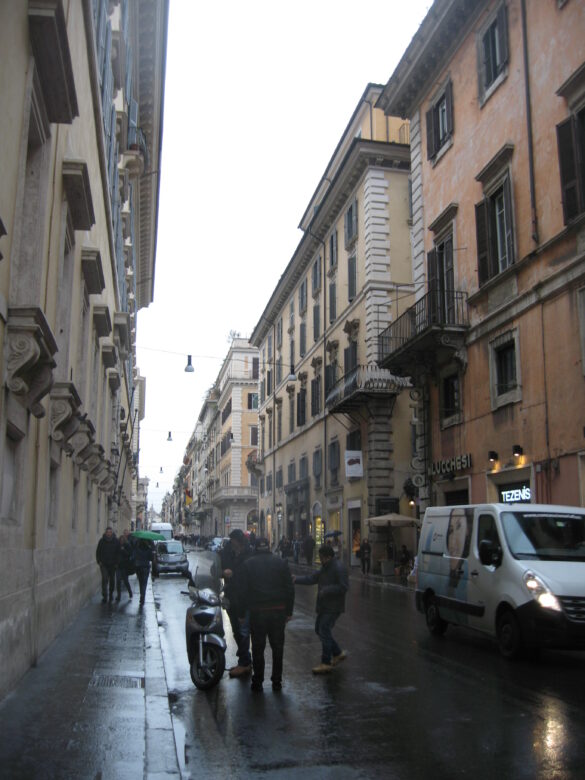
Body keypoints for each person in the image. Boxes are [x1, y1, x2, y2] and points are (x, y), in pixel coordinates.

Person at [237, 537, 295, 692]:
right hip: (278, 611)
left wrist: (242, 613)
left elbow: (243, 592)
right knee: (278, 647)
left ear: (255, 547)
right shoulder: (281, 563)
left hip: (258, 612)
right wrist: (289, 611)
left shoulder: (248, 564)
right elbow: (290, 588)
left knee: (258, 647)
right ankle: (277, 681)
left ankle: (258, 681)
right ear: (269, 547)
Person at [294, 544, 349, 674]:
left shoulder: (338, 568)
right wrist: (296, 579)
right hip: (325, 605)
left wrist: (326, 590)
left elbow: (344, 587)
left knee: (324, 630)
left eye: (322, 557)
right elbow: (312, 578)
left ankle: (326, 662)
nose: (321, 560)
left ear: (329, 557)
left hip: (333, 606)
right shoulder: (325, 567)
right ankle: (337, 653)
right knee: (319, 629)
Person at [220, 528, 253, 678]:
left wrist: (232, 573)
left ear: (238, 541)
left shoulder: (248, 554)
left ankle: (245, 662)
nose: (231, 543)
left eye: (233, 540)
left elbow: (245, 575)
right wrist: (222, 572)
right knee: (236, 630)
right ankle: (244, 659)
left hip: (243, 597)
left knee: (242, 631)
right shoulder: (228, 551)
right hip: (231, 595)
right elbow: (220, 563)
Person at [96, 526, 119, 603]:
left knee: (112, 580)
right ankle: (105, 595)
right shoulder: (101, 541)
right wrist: (99, 561)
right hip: (104, 564)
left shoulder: (116, 541)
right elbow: (98, 551)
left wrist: (116, 563)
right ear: (105, 533)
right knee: (104, 579)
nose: (108, 533)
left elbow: (118, 553)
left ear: (112, 533)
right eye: (107, 532)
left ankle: (111, 593)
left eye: (110, 532)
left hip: (113, 565)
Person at [133, 538, 154, 605]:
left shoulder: (137, 548)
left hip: (138, 566)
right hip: (145, 567)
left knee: (140, 582)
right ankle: (143, 596)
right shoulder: (148, 549)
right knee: (144, 583)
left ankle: (141, 595)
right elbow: (151, 558)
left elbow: (134, 556)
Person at [116, 530, 134, 601]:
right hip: (118, 566)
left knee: (126, 581)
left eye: (122, 540)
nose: (121, 541)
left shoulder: (127, 545)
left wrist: (123, 550)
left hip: (124, 566)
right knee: (118, 581)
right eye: (120, 540)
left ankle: (130, 592)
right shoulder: (117, 546)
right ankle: (119, 595)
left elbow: (129, 554)